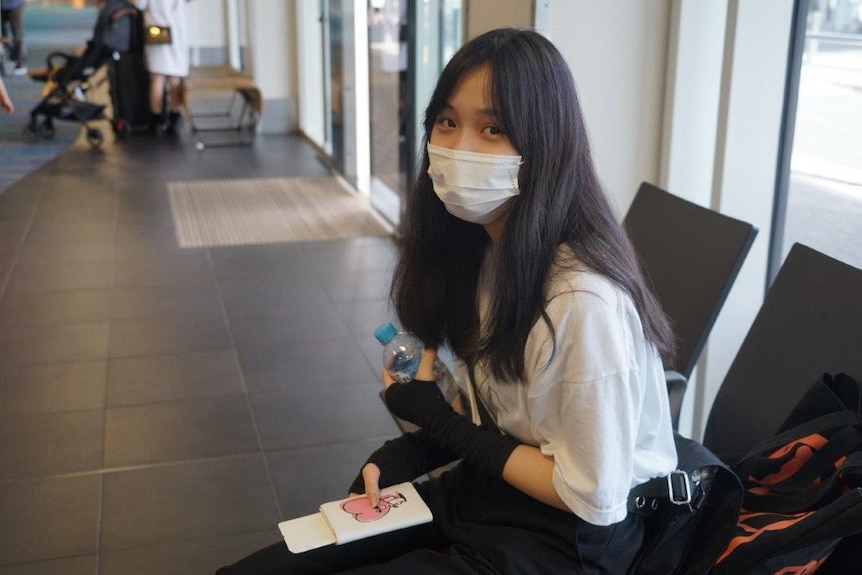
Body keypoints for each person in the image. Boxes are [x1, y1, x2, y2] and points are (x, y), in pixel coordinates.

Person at [216, 27, 678, 575]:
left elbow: (590, 495)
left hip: (565, 544)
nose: (460, 149)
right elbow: (505, 417)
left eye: (493, 129)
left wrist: (440, 425)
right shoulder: (483, 251)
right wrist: (417, 451)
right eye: (448, 123)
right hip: (489, 494)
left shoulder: (582, 301)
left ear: (546, 146)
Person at [134, 0, 189, 134]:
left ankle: (156, 121)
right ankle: (174, 117)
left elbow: (139, 4)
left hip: (156, 32)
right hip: (176, 32)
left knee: (157, 79)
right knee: (175, 78)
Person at [1, 0, 27, 75]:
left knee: (17, 35)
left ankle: (20, 64)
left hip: (15, 4)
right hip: (1, 6)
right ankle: (7, 62)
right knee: (2, 36)